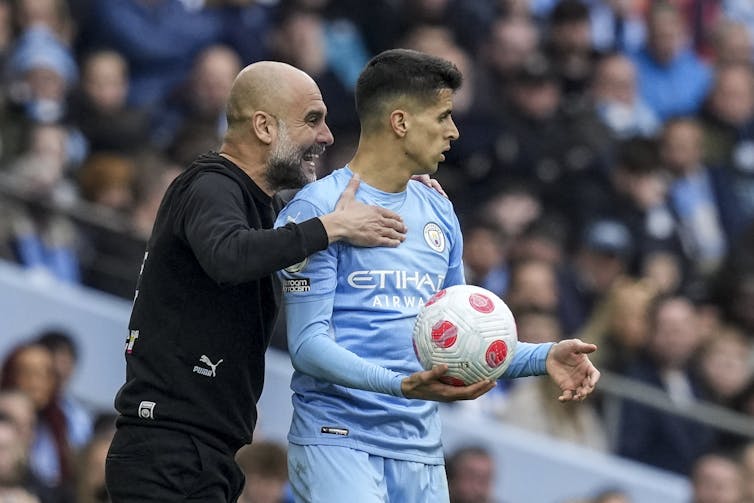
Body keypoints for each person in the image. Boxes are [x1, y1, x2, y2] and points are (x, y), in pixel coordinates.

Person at [275, 48, 601, 503]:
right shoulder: (319, 210)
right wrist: (400, 385)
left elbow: (460, 337)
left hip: (421, 449)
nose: (454, 131)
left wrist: (543, 357)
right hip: (338, 439)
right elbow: (308, 347)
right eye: (444, 116)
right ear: (401, 122)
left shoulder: (438, 211)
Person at [104, 60, 411, 502]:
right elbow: (231, 255)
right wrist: (332, 228)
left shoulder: (263, 206)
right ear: (264, 127)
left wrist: (404, 192)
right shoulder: (210, 185)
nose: (326, 136)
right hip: (168, 452)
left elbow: (315, 217)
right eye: (313, 120)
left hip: (204, 454)